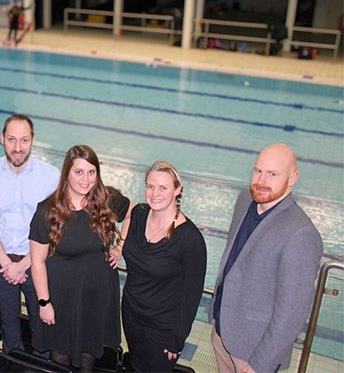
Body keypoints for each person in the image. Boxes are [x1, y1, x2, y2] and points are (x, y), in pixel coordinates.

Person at [211, 144, 323, 373]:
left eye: (273, 174)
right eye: (258, 171)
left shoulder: (300, 233)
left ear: (293, 179)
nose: (261, 180)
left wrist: (260, 364)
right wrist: (216, 314)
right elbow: (231, 262)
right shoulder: (245, 200)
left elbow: (291, 313)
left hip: (253, 353)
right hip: (222, 333)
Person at [29, 145, 131, 371]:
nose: (86, 180)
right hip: (62, 297)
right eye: (79, 172)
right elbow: (37, 262)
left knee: (89, 353)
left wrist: (119, 247)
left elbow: (131, 209)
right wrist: (44, 303)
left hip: (96, 294)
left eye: (91, 172)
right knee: (61, 355)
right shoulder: (48, 210)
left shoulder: (106, 200)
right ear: (67, 173)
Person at [0, 114, 60, 354]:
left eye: (24, 140)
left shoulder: (50, 176)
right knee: (8, 324)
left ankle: (40, 366)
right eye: (11, 139)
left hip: (37, 264)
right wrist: (6, 264)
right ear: (2, 138)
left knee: (41, 325)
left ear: (33, 140)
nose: (17, 147)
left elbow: (55, 230)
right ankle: (13, 363)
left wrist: (23, 265)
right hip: (0, 262)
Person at [121, 161, 207, 372]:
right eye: (150, 186)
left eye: (163, 188)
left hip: (162, 326)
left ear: (178, 191)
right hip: (131, 313)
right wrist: (118, 247)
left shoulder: (190, 240)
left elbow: (192, 295)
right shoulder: (140, 214)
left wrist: (177, 338)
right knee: (134, 365)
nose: (155, 193)